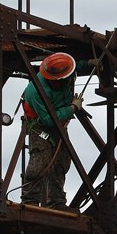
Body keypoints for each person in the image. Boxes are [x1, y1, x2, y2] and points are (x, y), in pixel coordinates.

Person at [20, 52, 85, 210]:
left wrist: (90, 63)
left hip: (60, 126)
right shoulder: (35, 90)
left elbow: (77, 66)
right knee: (40, 161)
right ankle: (29, 201)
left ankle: (56, 202)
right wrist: (73, 108)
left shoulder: (67, 73)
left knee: (62, 161)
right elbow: (49, 120)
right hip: (41, 128)